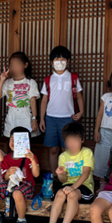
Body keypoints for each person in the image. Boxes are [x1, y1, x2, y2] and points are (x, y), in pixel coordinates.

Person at [40, 122, 94, 223]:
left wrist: (73, 188)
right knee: (59, 193)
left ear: (82, 140)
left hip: (84, 187)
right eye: (68, 141)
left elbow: (85, 173)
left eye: (75, 141)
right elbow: (63, 181)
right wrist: (60, 173)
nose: (71, 144)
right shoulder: (63, 156)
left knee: (72, 195)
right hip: (68, 185)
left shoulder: (86, 153)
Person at [39, 46, 84, 174]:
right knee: (53, 149)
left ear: (68, 61)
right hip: (51, 118)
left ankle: (67, 176)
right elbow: (44, 100)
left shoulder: (73, 78)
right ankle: (55, 176)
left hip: (68, 118)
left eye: (63, 59)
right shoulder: (48, 80)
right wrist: (42, 119)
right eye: (56, 59)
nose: (60, 62)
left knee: (67, 148)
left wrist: (81, 112)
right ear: (51, 62)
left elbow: (79, 96)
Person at [0, 127, 41, 223]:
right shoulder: (7, 158)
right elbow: (4, 178)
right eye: (11, 139)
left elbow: (36, 174)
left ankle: (21, 220)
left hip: (26, 185)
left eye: (16, 139)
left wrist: (32, 160)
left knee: (17, 194)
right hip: (10, 184)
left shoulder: (30, 157)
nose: (13, 142)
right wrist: (8, 173)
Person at [0, 51, 40, 136]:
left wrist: (34, 119)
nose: (14, 67)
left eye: (17, 64)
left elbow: (33, 101)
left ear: (25, 65)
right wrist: (2, 80)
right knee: (12, 140)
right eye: (12, 65)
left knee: (26, 140)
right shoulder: (8, 82)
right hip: (12, 115)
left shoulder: (30, 82)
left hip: (26, 114)